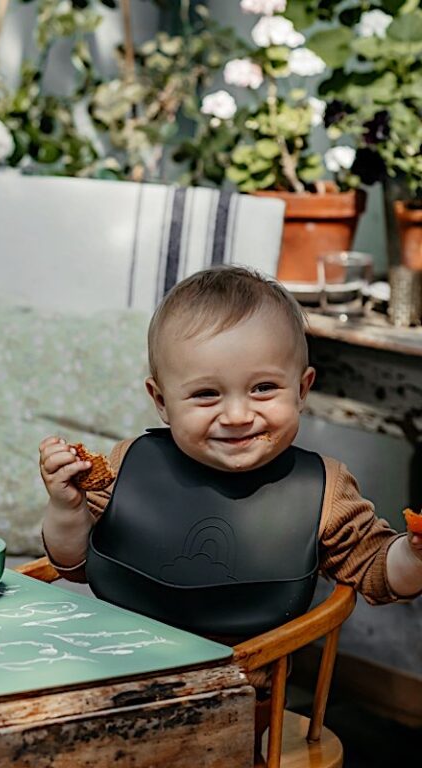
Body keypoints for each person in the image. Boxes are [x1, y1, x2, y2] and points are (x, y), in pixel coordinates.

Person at [39, 266, 422, 751]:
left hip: (230, 706)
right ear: (161, 400)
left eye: (263, 388)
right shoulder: (129, 464)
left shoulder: (324, 489)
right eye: (206, 394)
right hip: (108, 678)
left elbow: (378, 571)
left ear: (302, 389)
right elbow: (72, 562)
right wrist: (66, 506)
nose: (238, 415)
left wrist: (413, 553)